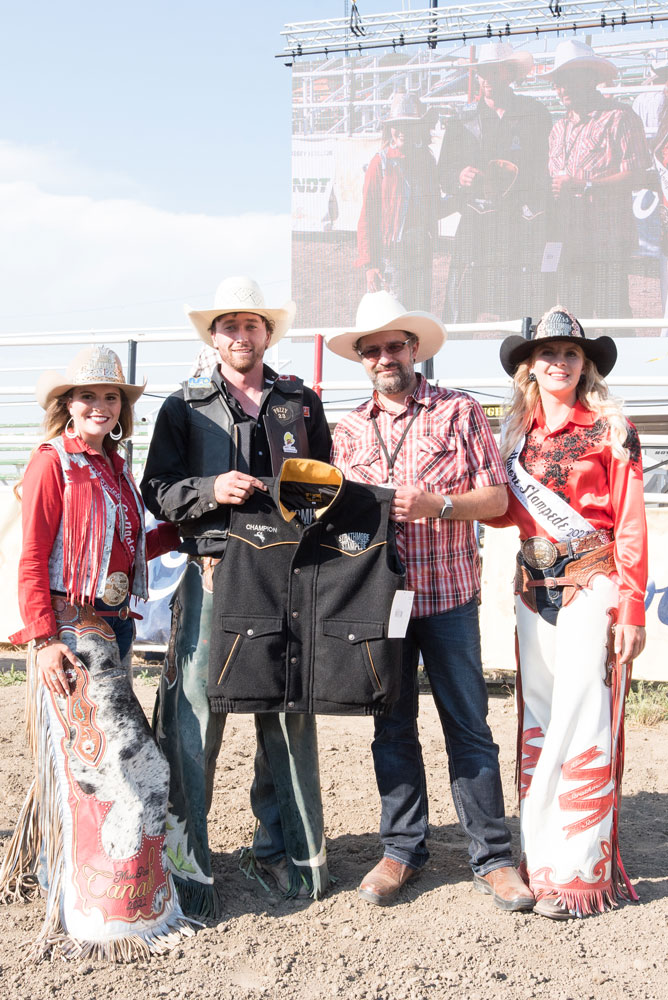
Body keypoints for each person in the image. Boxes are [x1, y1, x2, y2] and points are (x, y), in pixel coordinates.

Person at [327, 291, 534, 911]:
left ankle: (493, 857)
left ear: (414, 350)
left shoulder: (460, 411)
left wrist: (438, 505)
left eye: (395, 345)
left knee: (469, 725)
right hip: (380, 601)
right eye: (374, 349)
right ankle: (401, 850)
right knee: (391, 727)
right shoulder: (347, 430)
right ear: (362, 359)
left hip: (447, 596)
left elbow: (496, 500)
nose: (386, 356)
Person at [141, 276, 332, 915]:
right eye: (229, 326)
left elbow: (327, 485)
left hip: (288, 575)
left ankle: (288, 855)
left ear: (266, 333)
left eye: (251, 325)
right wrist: (207, 488)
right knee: (195, 718)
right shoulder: (182, 406)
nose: (241, 335)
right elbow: (157, 490)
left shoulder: (300, 402)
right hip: (213, 573)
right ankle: (186, 869)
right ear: (214, 337)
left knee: (286, 712)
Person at [0, 346, 192, 959]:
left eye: (111, 398)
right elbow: (32, 554)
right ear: (66, 406)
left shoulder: (113, 467)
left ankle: (72, 879)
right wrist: (45, 639)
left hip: (112, 622)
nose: (101, 407)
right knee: (116, 760)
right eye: (88, 397)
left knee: (93, 759)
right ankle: (102, 909)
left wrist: (193, 526)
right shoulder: (51, 463)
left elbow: (129, 544)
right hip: (73, 628)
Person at [488, 305, 647, 919]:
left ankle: (579, 872)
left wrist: (632, 606)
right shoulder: (513, 436)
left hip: (593, 580)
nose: (559, 362)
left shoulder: (611, 429)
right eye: (548, 353)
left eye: (571, 354)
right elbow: (506, 510)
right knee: (539, 718)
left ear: (586, 366)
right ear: (529, 365)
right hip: (533, 586)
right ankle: (541, 858)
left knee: (584, 716)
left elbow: (630, 522)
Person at [438, 42, 552, 322]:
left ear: (510, 74)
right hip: (477, 221)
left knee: (523, 305)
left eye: (495, 72)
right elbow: (443, 173)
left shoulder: (535, 114)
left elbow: (547, 164)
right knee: (461, 299)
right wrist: (458, 177)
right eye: (483, 73)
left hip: (521, 221)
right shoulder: (462, 119)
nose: (488, 79)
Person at [546, 40, 650, 318]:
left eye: (568, 80)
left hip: (607, 239)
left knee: (610, 315)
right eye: (557, 82)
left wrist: (585, 185)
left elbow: (638, 175)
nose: (561, 89)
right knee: (572, 317)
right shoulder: (558, 128)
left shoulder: (619, 117)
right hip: (569, 239)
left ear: (590, 79)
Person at [356, 90, 442, 313]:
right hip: (392, 255)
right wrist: (370, 264)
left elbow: (434, 207)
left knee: (420, 313)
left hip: (421, 251)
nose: (403, 130)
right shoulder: (380, 164)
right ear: (390, 129)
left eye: (409, 124)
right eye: (398, 124)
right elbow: (367, 215)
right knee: (396, 313)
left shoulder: (427, 162)